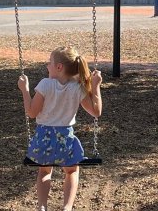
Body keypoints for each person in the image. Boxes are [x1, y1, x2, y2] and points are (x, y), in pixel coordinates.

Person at [17, 46, 104, 211]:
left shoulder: (45, 85)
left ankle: (42, 206)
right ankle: (67, 207)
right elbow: (96, 112)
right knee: (71, 171)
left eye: (50, 63)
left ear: (59, 67)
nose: (47, 66)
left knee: (44, 172)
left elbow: (32, 112)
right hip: (66, 141)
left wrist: (25, 90)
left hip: (43, 140)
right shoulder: (77, 88)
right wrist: (95, 85)